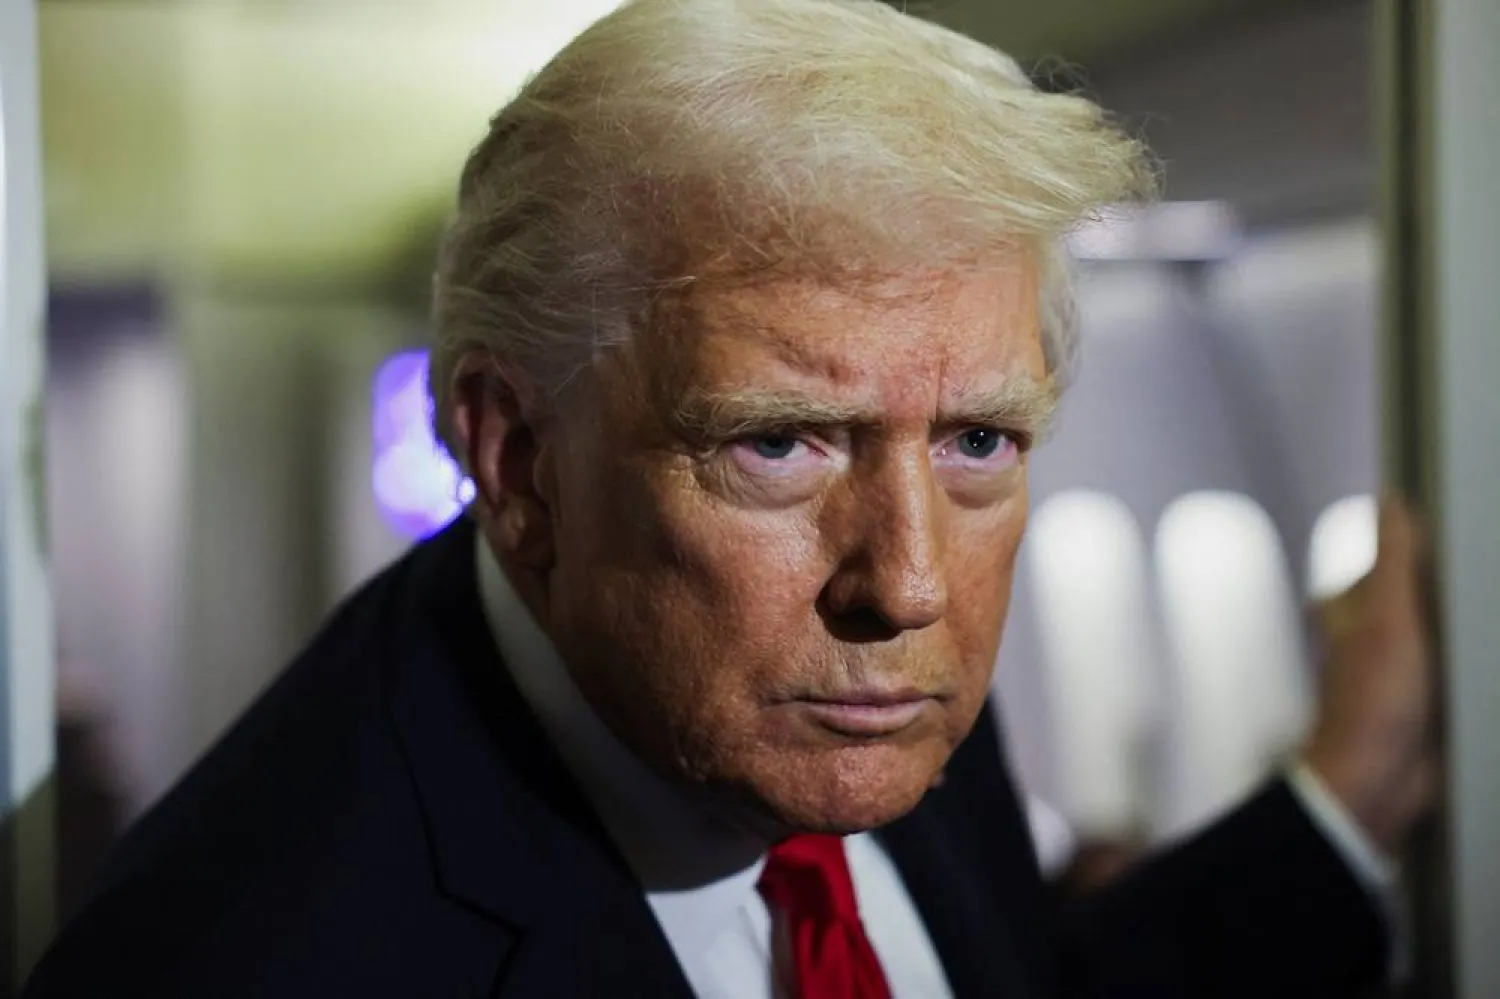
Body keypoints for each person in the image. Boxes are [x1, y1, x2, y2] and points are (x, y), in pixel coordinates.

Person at [24, 1, 1436, 996]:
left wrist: (1340, 790)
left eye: (979, 439)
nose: (910, 584)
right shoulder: (252, 955)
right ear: (517, 465)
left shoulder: (844, 685)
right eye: (779, 447)